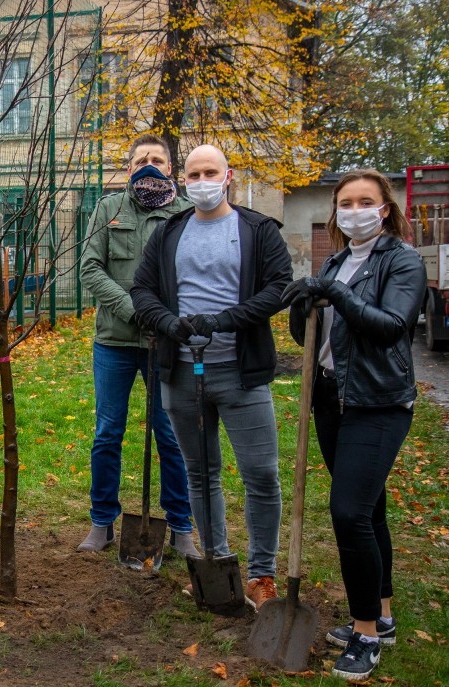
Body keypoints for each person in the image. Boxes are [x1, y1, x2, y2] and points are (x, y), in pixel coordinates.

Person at [131, 144, 292, 611]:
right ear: (183, 179)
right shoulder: (169, 233)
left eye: (211, 172)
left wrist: (227, 320)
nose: (203, 180)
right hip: (182, 373)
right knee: (201, 474)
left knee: (261, 474)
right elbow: (142, 289)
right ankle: (218, 563)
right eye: (194, 173)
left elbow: (278, 286)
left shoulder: (258, 230)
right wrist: (167, 323)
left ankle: (262, 575)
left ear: (228, 175)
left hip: (242, 373)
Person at [283, 169, 426, 681]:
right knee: (370, 510)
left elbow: (391, 327)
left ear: (384, 208)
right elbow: (313, 336)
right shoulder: (339, 259)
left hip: (378, 402)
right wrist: (303, 306)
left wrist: (335, 294)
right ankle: (382, 614)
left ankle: (365, 633)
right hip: (331, 400)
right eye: (346, 201)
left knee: (348, 513)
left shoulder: (402, 260)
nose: (354, 209)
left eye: (366, 201)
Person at [77, 132, 199, 556]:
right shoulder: (109, 209)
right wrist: (134, 310)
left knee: (171, 434)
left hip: (165, 345)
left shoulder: (186, 214)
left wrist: (163, 319)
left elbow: (193, 276)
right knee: (108, 432)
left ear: (170, 169)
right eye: (140, 159)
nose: (149, 164)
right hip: (114, 341)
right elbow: (90, 269)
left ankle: (181, 526)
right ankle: (101, 522)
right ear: (129, 169)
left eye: (158, 159)